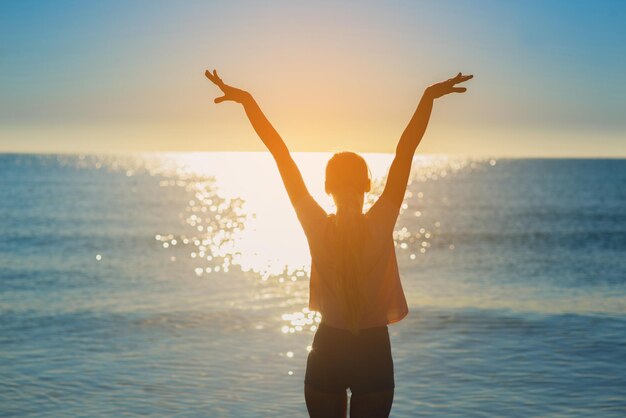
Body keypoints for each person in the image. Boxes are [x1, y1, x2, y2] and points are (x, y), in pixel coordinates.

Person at [205, 68, 472, 418]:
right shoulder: (381, 221)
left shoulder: (315, 224)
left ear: (327, 187)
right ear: (367, 185)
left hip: (327, 348)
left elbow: (280, 154)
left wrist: (247, 101)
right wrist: (427, 97)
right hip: (374, 351)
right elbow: (405, 152)